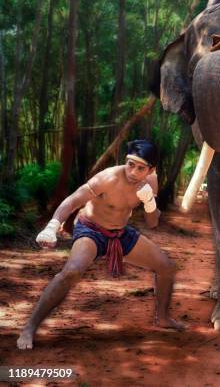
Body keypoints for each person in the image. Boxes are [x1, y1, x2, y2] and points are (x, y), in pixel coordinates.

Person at [17, 139, 185, 350]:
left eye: (140, 168)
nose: (132, 171)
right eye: (129, 164)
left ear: (151, 170)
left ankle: (162, 318)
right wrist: (52, 226)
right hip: (91, 229)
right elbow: (73, 200)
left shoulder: (151, 182)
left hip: (120, 233)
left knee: (166, 267)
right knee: (72, 271)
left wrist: (150, 202)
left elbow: (152, 222)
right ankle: (30, 327)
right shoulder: (108, 177)